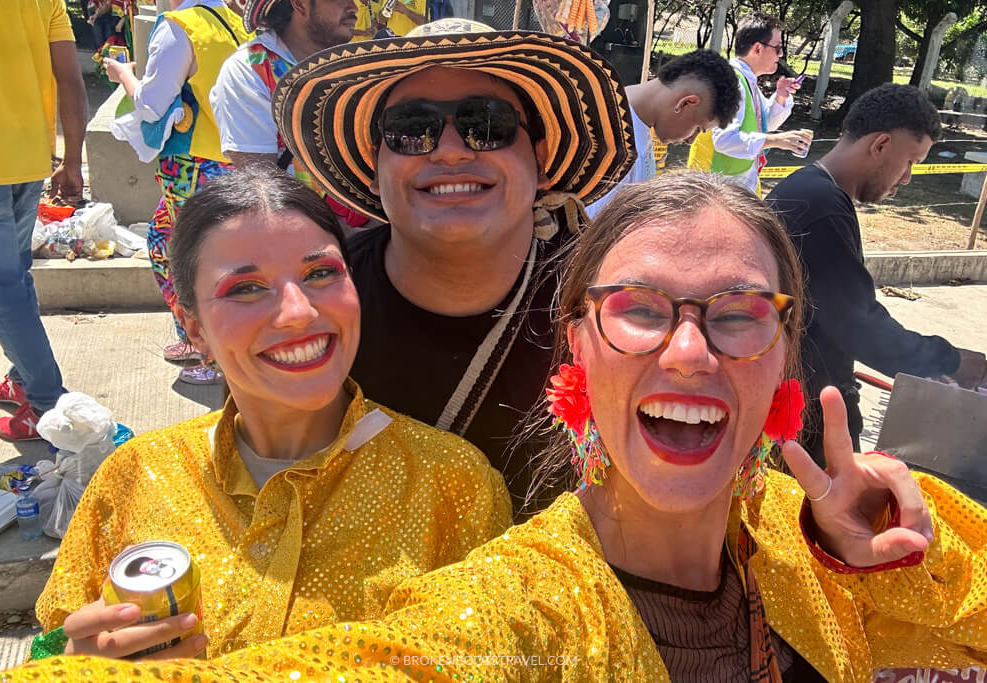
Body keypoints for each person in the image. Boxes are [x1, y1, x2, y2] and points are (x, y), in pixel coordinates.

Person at [0, 173, 987, 683]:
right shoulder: (512, 616)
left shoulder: (825, 536)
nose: (691, 352)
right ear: (577, 351)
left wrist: (887, 561)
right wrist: (51, 654)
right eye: (642, 307)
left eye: (738, 311)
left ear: (784, 352)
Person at [24, 168, 510, 661]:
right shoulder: (135, 477)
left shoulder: (454, 485)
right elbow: (54, 645)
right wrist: (77, 661)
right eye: (245, 288)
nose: (298, 311)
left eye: (320, 273)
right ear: (193, 329)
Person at [270, 18, 634, 517]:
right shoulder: (309, 308)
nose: (449, 149)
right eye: (410, 130)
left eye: (487, 124)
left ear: (542, 160)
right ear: (376, 166)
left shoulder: (613, 312)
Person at [765, 83, 987, 466]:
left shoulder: (812, 190)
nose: (906, 179)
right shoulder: (822, 207)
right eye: (910, 162)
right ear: (881, 145)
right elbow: (860, 327)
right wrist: (948, 360)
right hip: (806, 414)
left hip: (803, 400)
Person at [103, 0, 251, 385]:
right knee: (176, 244)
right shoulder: (234, 21)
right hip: (234, 158)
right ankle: (202, 340)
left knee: (192, 260)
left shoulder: (179, 25)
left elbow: (151, 107)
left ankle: (211, 355)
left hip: (191, 165)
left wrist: (122, 75)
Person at [0, 0, 86, 441]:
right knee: (12, 280)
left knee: (0, 288)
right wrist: (71, 160)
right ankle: (23, 375)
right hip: (27, 161)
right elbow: (70, 80)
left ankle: (47, 405)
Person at [209, 0, 370, 229]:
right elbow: (262, 184)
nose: (354, 7)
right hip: (308, 241)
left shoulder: (351, 63)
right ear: (300, 4)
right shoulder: (251, 67)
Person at [588, 49, 742, 217]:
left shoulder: (634, 126)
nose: (691, 140)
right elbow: (586, 229)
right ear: (685, 103)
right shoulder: (612, 135)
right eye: (697, 129)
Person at [687, 12, 809, 196]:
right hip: (714, 191)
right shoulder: (733, 82)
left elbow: (763, 124)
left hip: (729, 188)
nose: (781, 54)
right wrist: (777, 141)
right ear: (758, 48)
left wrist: (781, 97)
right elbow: (725, 140)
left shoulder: (745, 79)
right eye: (777, 48)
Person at [352, 0, 427, 40]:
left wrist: (406, 11)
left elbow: (427, 23)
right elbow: (381, 20)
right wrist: (386, 11)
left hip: (412, 42)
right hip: (391, 43)